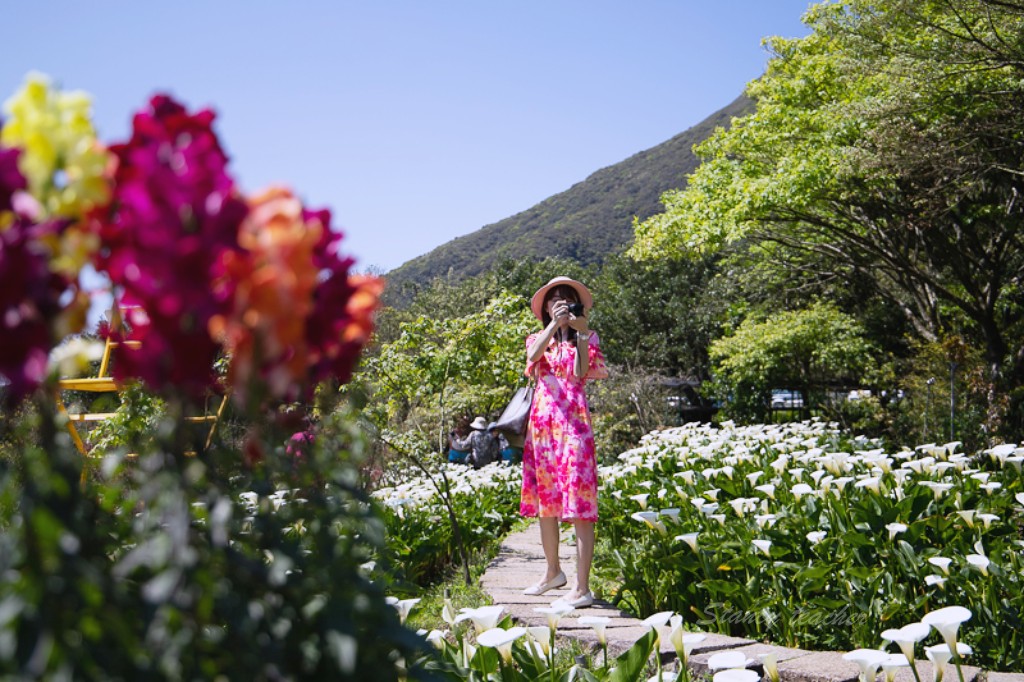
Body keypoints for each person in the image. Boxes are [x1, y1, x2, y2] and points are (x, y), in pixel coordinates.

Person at [519, 276, 608, 608]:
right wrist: (553, 327)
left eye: (566, 300)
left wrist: (580, 333)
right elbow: (532, 355)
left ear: (578, 306)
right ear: (545, 308)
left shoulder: (587, 337)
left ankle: (582, 588)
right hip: (542, 432)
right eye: (554, 300)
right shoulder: (538, 337)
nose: (560, 305)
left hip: (574, 429)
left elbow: (581, 371)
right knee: (547, 504)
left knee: (580, 507)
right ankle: (552, 572)